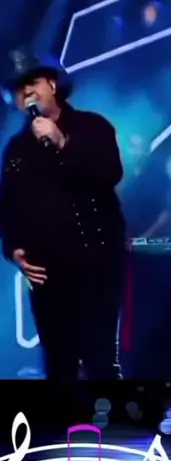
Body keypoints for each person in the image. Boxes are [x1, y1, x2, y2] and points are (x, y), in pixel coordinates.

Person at [0, 48, 126, 380]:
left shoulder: (92, 126)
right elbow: (9, 208)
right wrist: (14, 250)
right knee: (58, 363)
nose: (27, 91)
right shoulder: (16, 149)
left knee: (99, 360)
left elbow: (110, 173)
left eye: (33, 82)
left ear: (53, 84)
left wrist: (62, 143)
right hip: (47, 275)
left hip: (96, 266)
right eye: (19, 87)